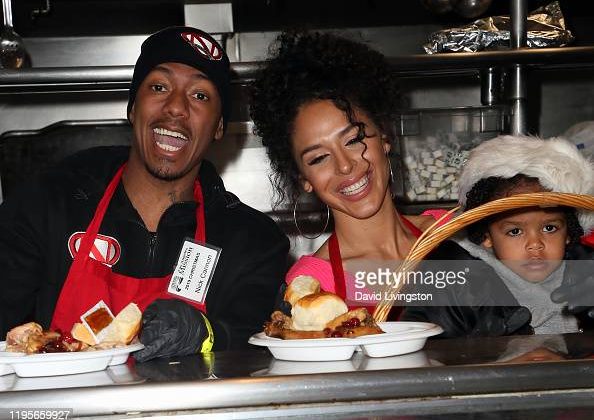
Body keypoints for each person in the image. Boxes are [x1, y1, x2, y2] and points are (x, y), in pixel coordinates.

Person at [0, 26, 289, 361]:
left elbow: (258, 344)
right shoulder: (47, 204)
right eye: (159, 87)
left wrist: (207, 333)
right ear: (133, 107)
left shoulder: (253, 242)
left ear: (219, 126)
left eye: (200, 95)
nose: (176, 107)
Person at [250, 31, 440, 312]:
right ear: (304, 179)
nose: (345, 165)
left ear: (384, 136)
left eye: (353, 140)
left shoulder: (451, 232)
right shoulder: (310, 287)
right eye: (318, 158)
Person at [402, 135, 594, 337]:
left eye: (549, 228)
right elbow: (425, 342)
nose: (535, 244)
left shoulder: (584, 270)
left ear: (569, 232)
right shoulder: (458, 282)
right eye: (515, 231)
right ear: (487, 236)